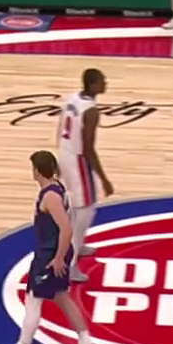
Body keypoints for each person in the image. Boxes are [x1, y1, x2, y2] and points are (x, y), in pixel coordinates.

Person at [0, 151, 100, 344]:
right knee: (62, 297)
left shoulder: (50, 196)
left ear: (37, 170)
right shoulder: (56, 187)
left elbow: (66, 230)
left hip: (50, 255)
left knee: (34, 299)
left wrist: (58, 258)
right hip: (53, 252)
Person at [56, 68, 112, 278]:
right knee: (85, 211)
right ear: (93, 85)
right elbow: (88, 148)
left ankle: (76, 247)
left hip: (65, 152)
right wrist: (104, 179)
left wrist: (61, 156)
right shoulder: (91, 111)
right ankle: (69, 263)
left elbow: (60, 127)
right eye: (102, 81)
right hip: (78, 159)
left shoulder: (72, 98)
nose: (105, 84)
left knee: (76, 207)